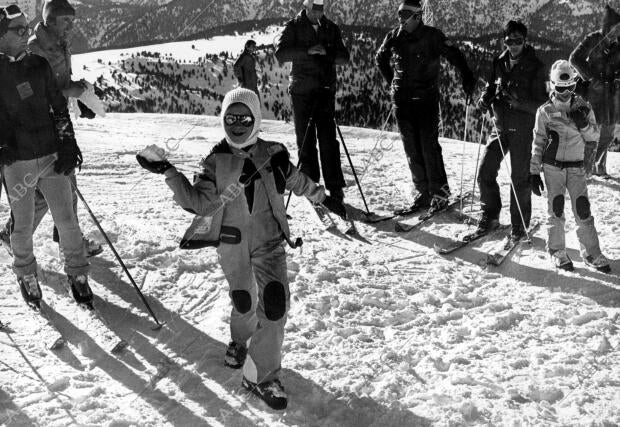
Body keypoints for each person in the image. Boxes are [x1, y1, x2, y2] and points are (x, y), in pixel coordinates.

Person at [136, 88, 346, 410]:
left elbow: (296, 180)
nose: (237, 124)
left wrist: (320, 195)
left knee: (275, 304)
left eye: (244, 117)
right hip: (232, 244)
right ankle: (240, 341)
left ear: (256, 118)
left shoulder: (274, 154)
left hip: (269, 243)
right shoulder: (215, 161)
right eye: (231, 117)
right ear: (223, 120)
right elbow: (199, 203)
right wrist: (168, 171)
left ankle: (260, 375)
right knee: (244, 300)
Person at [0, 4, 93, 308]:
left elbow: (58, 105)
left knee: (67, 219)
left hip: (52, 156)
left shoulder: (38, 66)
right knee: (23, 224)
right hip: (18, 162)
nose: (25, 33)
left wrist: (67, 143)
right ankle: (26, 273)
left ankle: (78, 274)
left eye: (26, 28)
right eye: (18, 30)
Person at [376, 0, 476, 215]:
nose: (400, 19)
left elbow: (454, 55)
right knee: (411, 148)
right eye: (399, 14)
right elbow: (380, 57)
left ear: (417, 16)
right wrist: (392, 82)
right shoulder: (394, 36)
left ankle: (439, 193)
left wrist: (466, 75)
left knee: (428, 146)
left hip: (426, 100)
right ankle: (423, 193)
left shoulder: (432, 36)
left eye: (405, 15)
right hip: (402, 101)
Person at [529, 60, 610, 273]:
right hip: (553, 167)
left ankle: (592, 253)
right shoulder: (545, 111)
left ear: (575, 85)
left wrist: (582, 121)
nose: (565, 93)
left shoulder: (583, 107)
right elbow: (538, 142)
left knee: (582, 209)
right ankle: (557, 251)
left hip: (576, 167)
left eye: (570, 87)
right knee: (556, 208)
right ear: (553, 85)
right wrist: (534, 171)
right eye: (561, 88)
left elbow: (594, 135)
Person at [475, 20, 547, 242]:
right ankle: (490, 215)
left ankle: (520, 226)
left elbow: (543, 105)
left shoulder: (536, 66)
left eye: (517, 41)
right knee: (485, 171)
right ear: (504, 41)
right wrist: (484, 99)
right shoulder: (499, 61)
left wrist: (519, 104)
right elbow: (491, 86)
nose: (513, 45)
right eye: (509, 41)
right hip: (500, 125)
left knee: (520, 179)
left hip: (524, 129)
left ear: (525, 41)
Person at [274, 0, 350, 202]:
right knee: (306, 140)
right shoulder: (293, 26)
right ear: (306, 7)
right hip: (302, 91)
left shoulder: (331, 28)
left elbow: (344, 57)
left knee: (328, 141)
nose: (318, 14)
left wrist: (327, 53)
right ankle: (311, 186)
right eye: (314, 10)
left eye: (321, 10)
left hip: (324, 90)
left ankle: (335, 188)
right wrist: (307, 51)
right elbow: (281, 53)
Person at [570, 5, 620, 178]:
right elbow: (574, 58)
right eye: (614, 28)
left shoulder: (619, 45)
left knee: (608, 133)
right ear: (606, 26)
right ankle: (585, 169)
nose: (616, 32)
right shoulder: (593, 39)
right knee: (591, 132)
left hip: (612, 94)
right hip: (594, 93)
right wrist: (591, 77)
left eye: (619, 29)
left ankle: (599, 166)